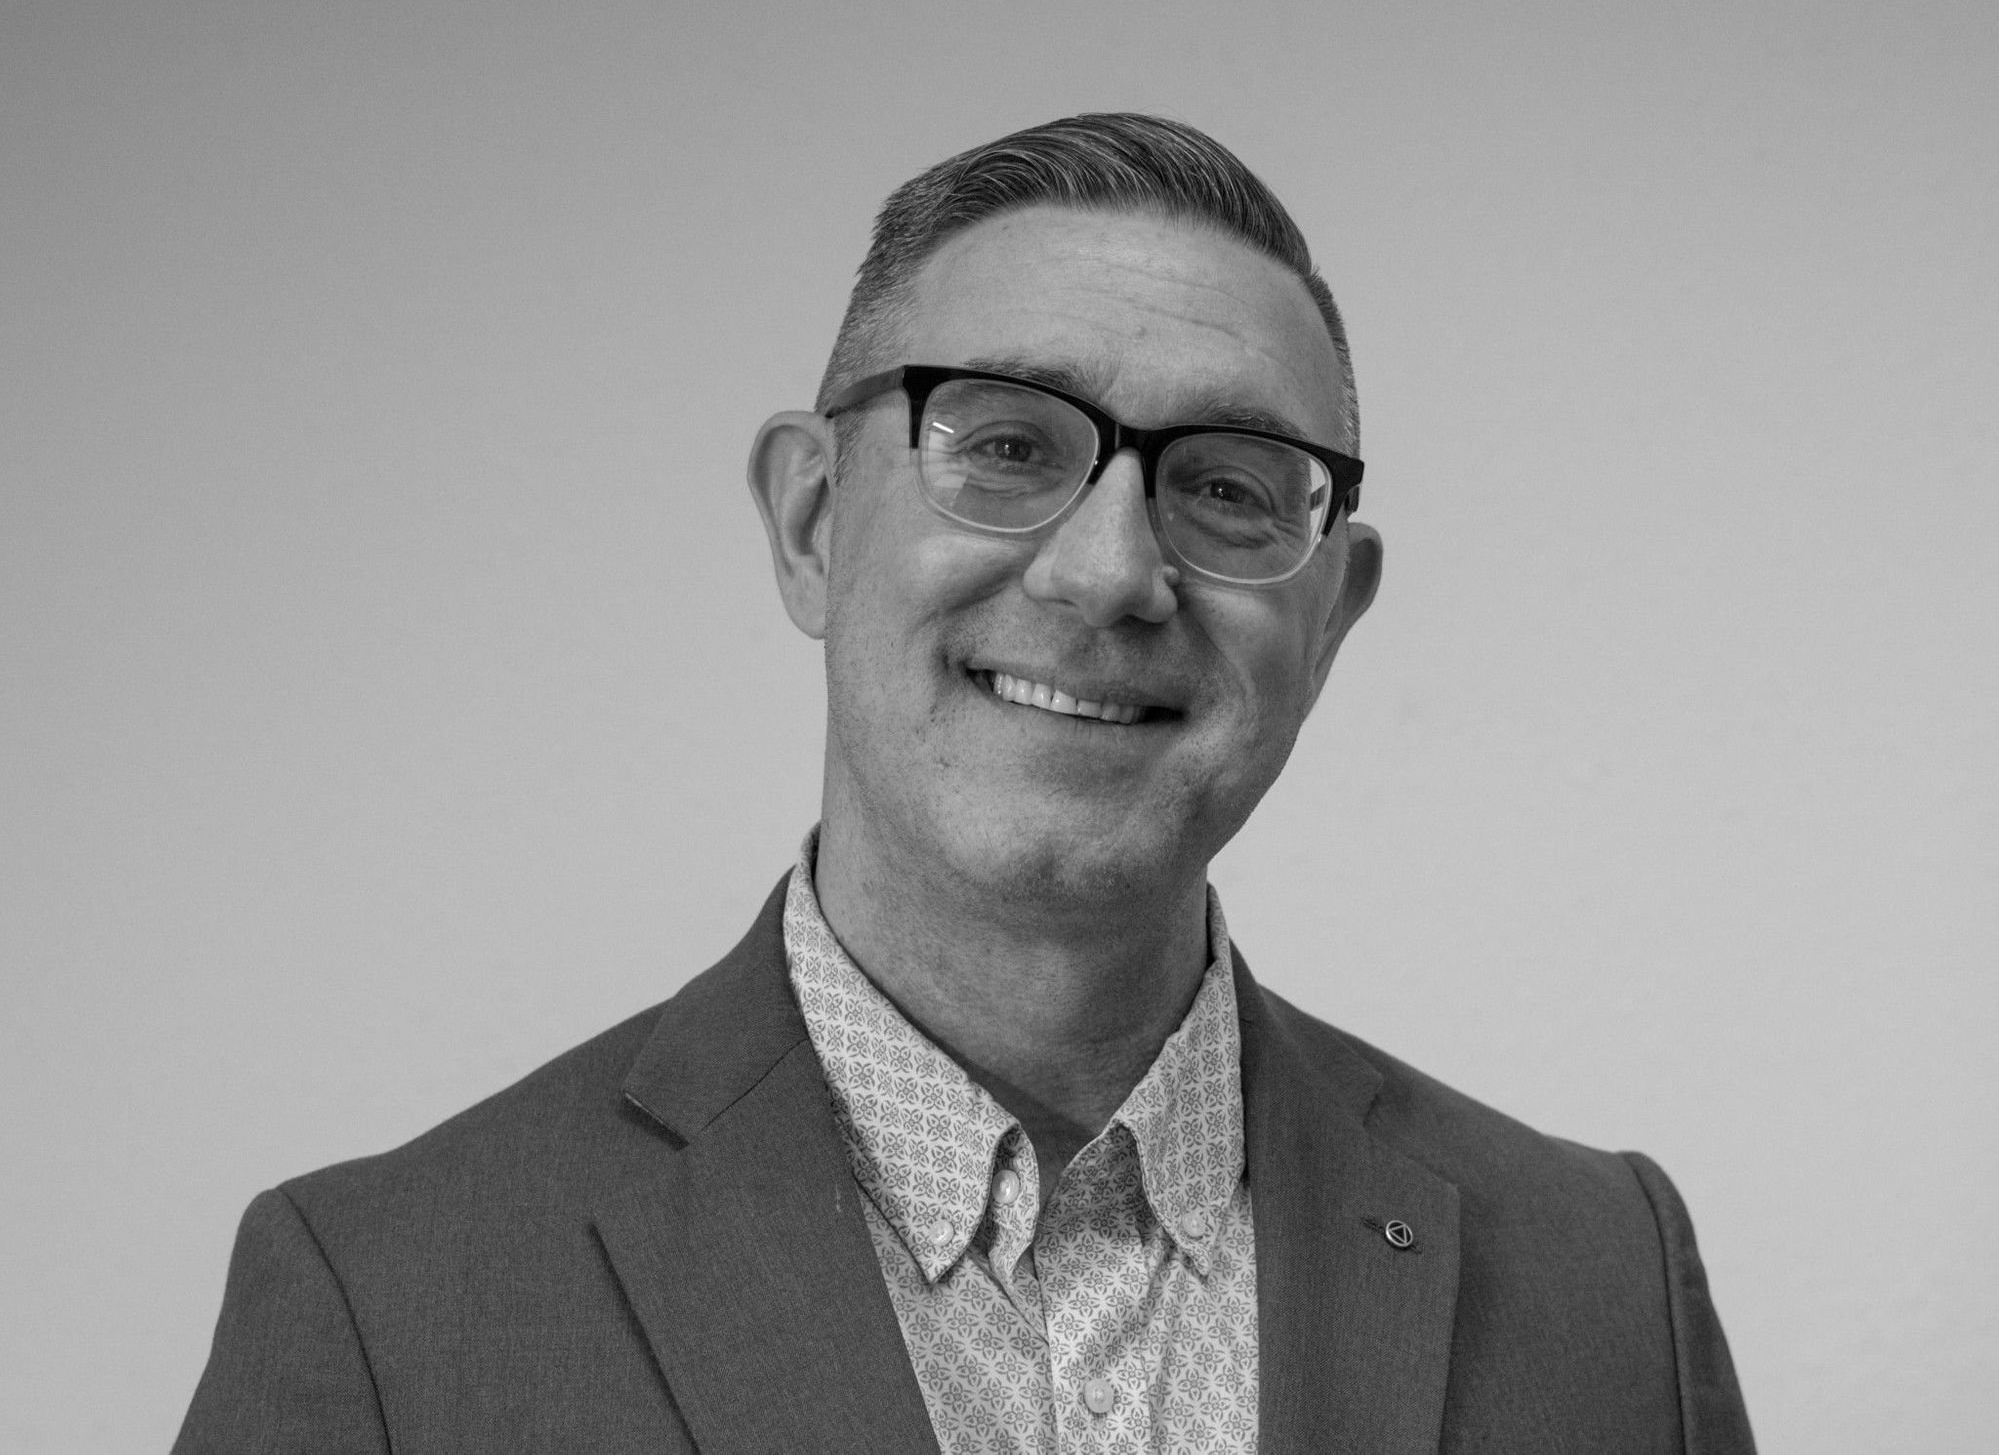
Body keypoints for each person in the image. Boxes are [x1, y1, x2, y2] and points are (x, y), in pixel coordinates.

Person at [174, 113, 1756, 1453]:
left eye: (1227, 487)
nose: (1110, 571)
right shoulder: (386, 1312)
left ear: (1329, 615)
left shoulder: (1605, 1284)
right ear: (812, 522)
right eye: (1007, 446)